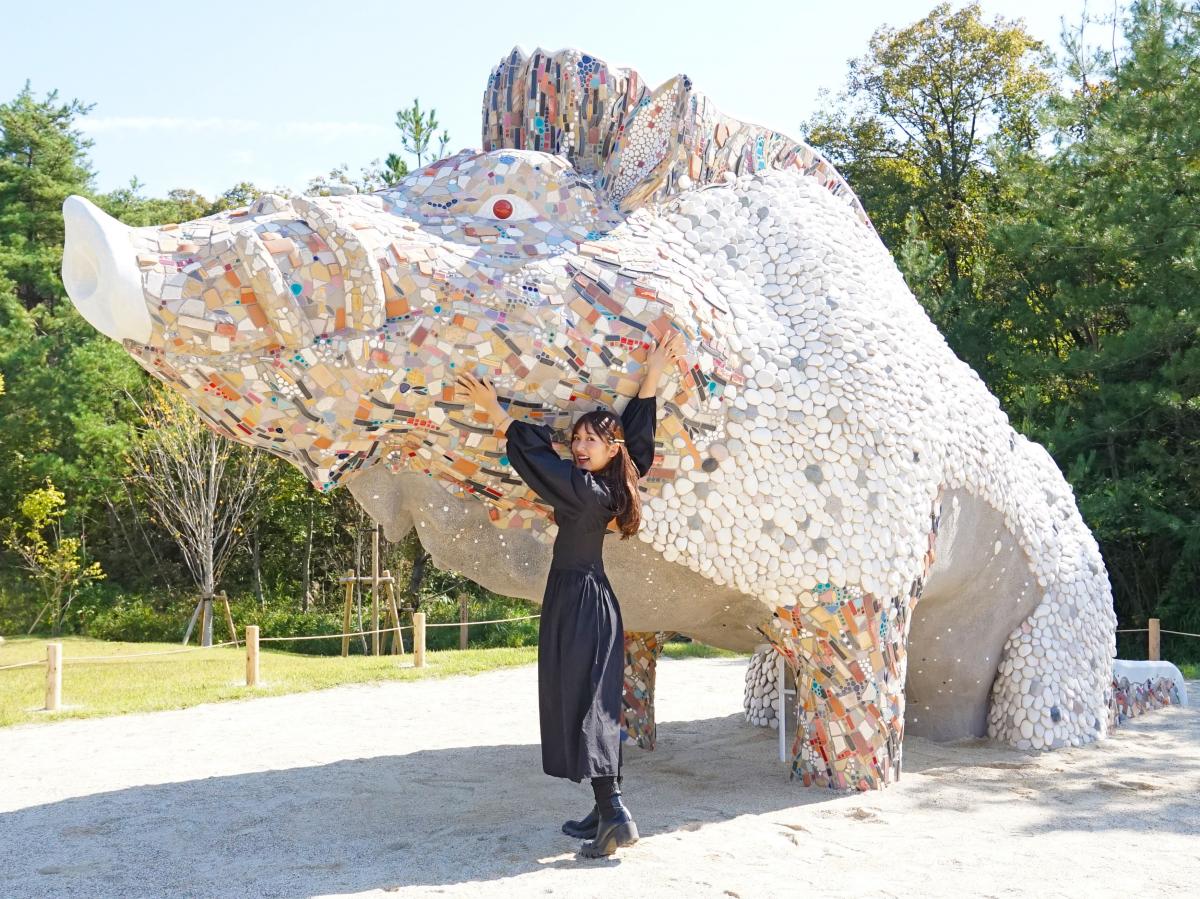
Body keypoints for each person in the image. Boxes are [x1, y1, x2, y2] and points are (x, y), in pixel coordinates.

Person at [455, 331, 685, 857]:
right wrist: (651, 374)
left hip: (581, 601)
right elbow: (638, 440)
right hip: (588, 599)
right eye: (576, 439)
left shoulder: (584, 492)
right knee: (594, 701)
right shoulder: (618, 481)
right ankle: (605, 809)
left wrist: (495, 412)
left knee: (588, 704)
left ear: (609, 451)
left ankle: (615, 814)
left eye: (590, 442)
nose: (579, 448)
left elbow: (540, 464)